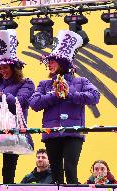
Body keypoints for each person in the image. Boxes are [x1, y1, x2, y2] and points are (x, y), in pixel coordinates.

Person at [29, 30, 100, 184]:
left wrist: (69, 93)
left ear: (63, 63)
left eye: (53, 61)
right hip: (52, 133)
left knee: (70, 168)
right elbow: (33, 104)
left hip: (73, 133)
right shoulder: (44, 84)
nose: (49, 64)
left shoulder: (81, 81)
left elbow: (95, 96)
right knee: (55, 173)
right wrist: (55, 95)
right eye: (48, 61)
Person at [0, 29, 35, 184]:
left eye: (6, 67)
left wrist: (0, 95)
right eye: (0, 68)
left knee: (8, 171)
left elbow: (22, 102)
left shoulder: (26, 83)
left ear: (14, 68)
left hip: (12, 130)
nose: (3, 70)